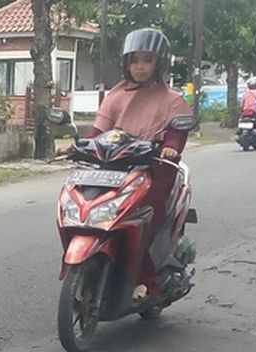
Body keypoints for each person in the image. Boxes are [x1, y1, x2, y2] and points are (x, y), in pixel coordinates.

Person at [58, 29, 192, 284]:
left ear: (159, 63)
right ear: (126, 63)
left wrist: (170, 147)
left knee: (147, 214)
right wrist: (75, 146)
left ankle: (148, 276)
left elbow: (176, 133)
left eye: (147, 60)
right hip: (113, 166)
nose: (140, 67)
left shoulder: (172, 100)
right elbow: (98, 131)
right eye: (134, 60)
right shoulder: (116, 96)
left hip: (153, 167)